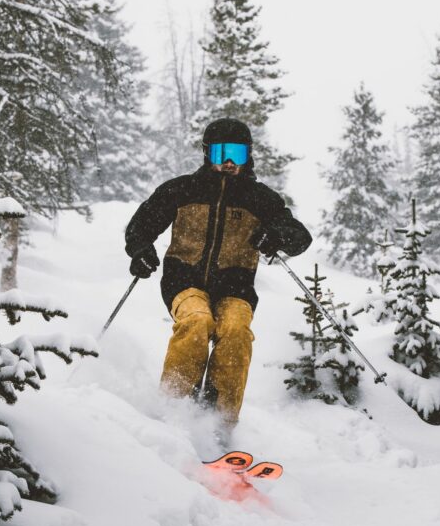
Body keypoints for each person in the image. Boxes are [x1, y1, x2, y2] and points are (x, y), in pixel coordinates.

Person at [125, 118, 312, 439]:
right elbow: (141, 225)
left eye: (237, 155)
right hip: (184, 280)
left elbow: (300, 237)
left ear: (248, 156)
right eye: (221, 154)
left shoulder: (259, 198)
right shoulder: (182, 189)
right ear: (207, 154)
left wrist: (276, 235)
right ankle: (172, 409)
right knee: (196, 322)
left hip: (235, 287)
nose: (228, 163)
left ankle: (220, 425)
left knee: (236, 331)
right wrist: (141, 250)